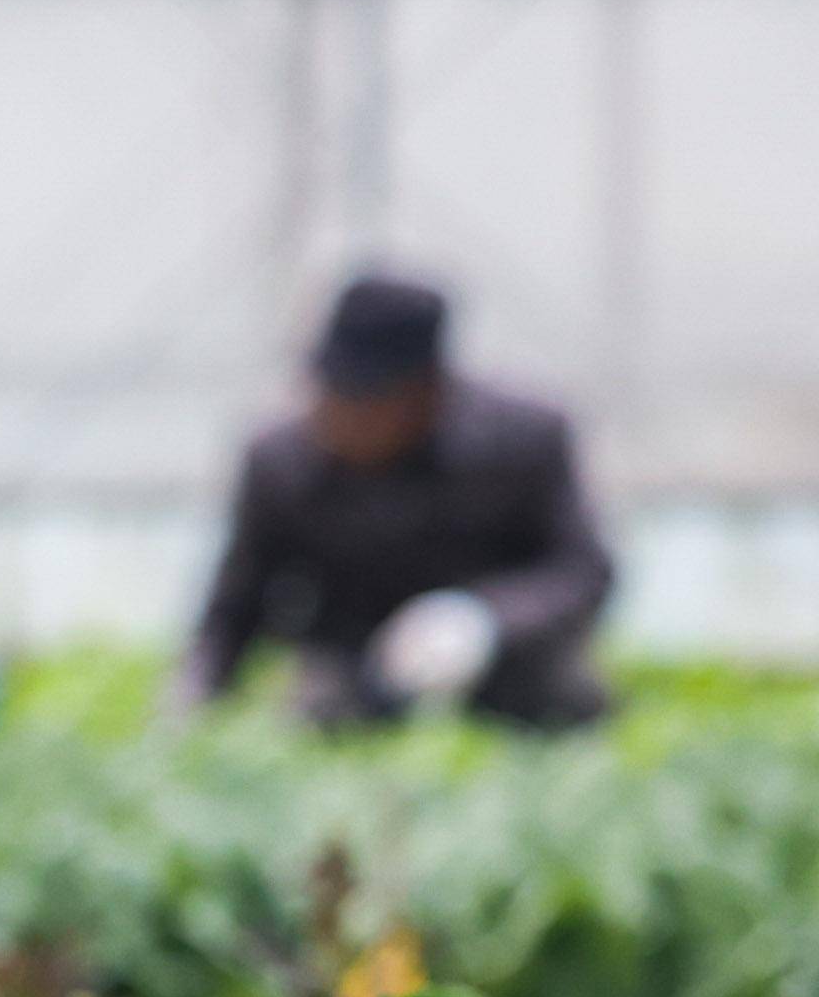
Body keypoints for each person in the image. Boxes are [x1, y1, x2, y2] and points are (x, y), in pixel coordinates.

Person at [191, 271, 616, 729]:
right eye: (330, 393)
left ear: (427, 391)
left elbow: (583, 570)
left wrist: (484, 619)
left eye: (364, 400)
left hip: (504, 666)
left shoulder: (525, 440)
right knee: (314, 709)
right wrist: (193, 698)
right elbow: (237, 600)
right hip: (353, 667)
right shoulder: (280, 461)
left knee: (566, 699)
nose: (338, 417)